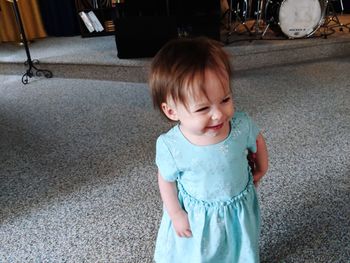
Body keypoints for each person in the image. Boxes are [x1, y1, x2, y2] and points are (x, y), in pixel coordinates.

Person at [149, 36, 268, 263]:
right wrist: (176, 213)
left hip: (236, 204)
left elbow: (258, 139)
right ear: (172, 111)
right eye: (203, 108)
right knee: (200, 251)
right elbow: (165, 179)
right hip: (199, 215)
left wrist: (263, 166)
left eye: (225, 99)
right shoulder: (172, 146)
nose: (218, 114)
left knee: (238, 243)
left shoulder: (240, 125)